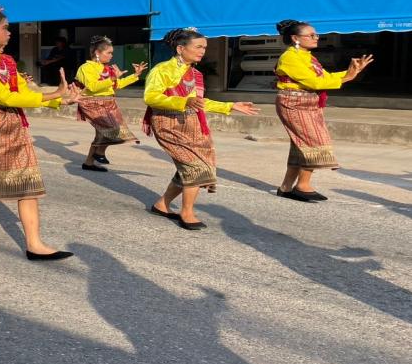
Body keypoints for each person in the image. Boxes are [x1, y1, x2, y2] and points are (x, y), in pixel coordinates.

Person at [0, 0, 81, 260]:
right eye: (5, 27)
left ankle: (34, 244)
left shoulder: (7, 61)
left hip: (14, 123)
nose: (9, 32)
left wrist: (60, 100)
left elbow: (22, 93)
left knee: (28, 183)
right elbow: (5, 96)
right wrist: (53, 95)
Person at [143, 28, 259, 231]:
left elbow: (199, 102)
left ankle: (162, 204)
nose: (202, 51)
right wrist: (183, 101)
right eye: (198, 47)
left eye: (204, 47)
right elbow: (151, 97)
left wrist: (230, 106)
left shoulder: (195, 74)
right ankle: (187, 212)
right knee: (195, 166)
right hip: (169, 124)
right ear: (180, 49)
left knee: (190, 167)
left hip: (192, 123)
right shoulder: (162, 70)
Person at [273, 20, 373, 202]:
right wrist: (346, 78)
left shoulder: (308, 57)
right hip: (294, 102)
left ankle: (286, 187)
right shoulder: (290, 57)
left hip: (307, 102)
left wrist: (351, 72)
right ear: (295, 38)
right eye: (311, 35)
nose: (316, 38)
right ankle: (302, 186)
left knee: (300, 145)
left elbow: (325, 78)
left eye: (316, 34)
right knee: (314, 141)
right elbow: (315, 83)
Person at [74, 35, 147, 171]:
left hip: (108, 103)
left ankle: (89, 162)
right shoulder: (86, 68)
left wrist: (135, 75)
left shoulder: (107, 68)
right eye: (109, 53)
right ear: (97, 53)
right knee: (113, 129)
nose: (111, 56)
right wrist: (112, 78)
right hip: (93, 103)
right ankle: (99, 153)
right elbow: (92, 86)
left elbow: (117, 84)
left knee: (101, 134)